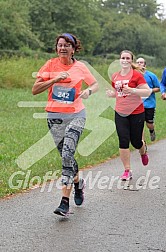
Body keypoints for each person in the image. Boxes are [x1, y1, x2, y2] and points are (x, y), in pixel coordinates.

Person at [32, 33, 98, 216]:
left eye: (66, 45)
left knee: (68, 153)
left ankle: (64, 202)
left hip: (76, 115)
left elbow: (95, 84)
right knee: (66, 157)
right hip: (54, 116)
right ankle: (78, 184)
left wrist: (88, 92)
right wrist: (54, 80)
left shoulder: (81, 67)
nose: (62, 48)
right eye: (59, 45)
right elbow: (35, 90)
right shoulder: (50, 65)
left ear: (74, 48)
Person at [106, 50, 152, 181]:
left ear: (131, 61)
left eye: (127, 58)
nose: (125, 60)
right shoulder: (115, 76)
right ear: (119, 60)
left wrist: (133, 90)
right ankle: (127, 170)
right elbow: (118, 92)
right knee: (123, 140)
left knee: (136, 142)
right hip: (120, 112)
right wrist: (112, 94)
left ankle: (143, 150)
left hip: (136, 112)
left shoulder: (136, 75)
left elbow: (147, 92)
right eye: (122, 58)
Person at [136, 57, 160, 141]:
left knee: (149, 123)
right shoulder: (134, 76)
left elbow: (158, 88)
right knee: (139, 124)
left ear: (145, 65)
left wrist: (149, 91)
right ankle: (142, 142)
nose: (139, 64)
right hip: (137, 104)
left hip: (149, 104)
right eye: (137, 62)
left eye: (141, 62)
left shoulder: (151, 75)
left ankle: (152, 130)